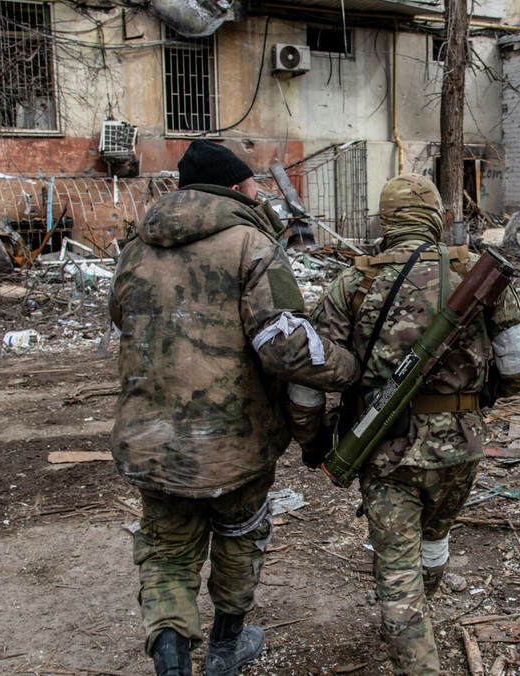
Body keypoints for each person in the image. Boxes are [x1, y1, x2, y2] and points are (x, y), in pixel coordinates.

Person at [108, 140, 359, 676]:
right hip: (235, 445)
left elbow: (123, 320)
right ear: (240, 187)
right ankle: (225, 647)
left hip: (153, 446)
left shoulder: (136, 248)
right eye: (252, 184)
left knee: (167, 554)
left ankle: (173, 663)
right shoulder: (252, 244)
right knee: (240, 538)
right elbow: (286, 348)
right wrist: (349, 368)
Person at [289, 174, 520, 675]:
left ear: (386, 221)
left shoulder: (353, 282)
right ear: (434, 217)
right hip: (462, 448)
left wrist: (312, 438)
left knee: (397, 571)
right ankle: (419, 609)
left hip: (384, 451)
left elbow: (306, 376)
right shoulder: (473, 273)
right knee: (435, 538)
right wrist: (478, 400)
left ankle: (412, 634)